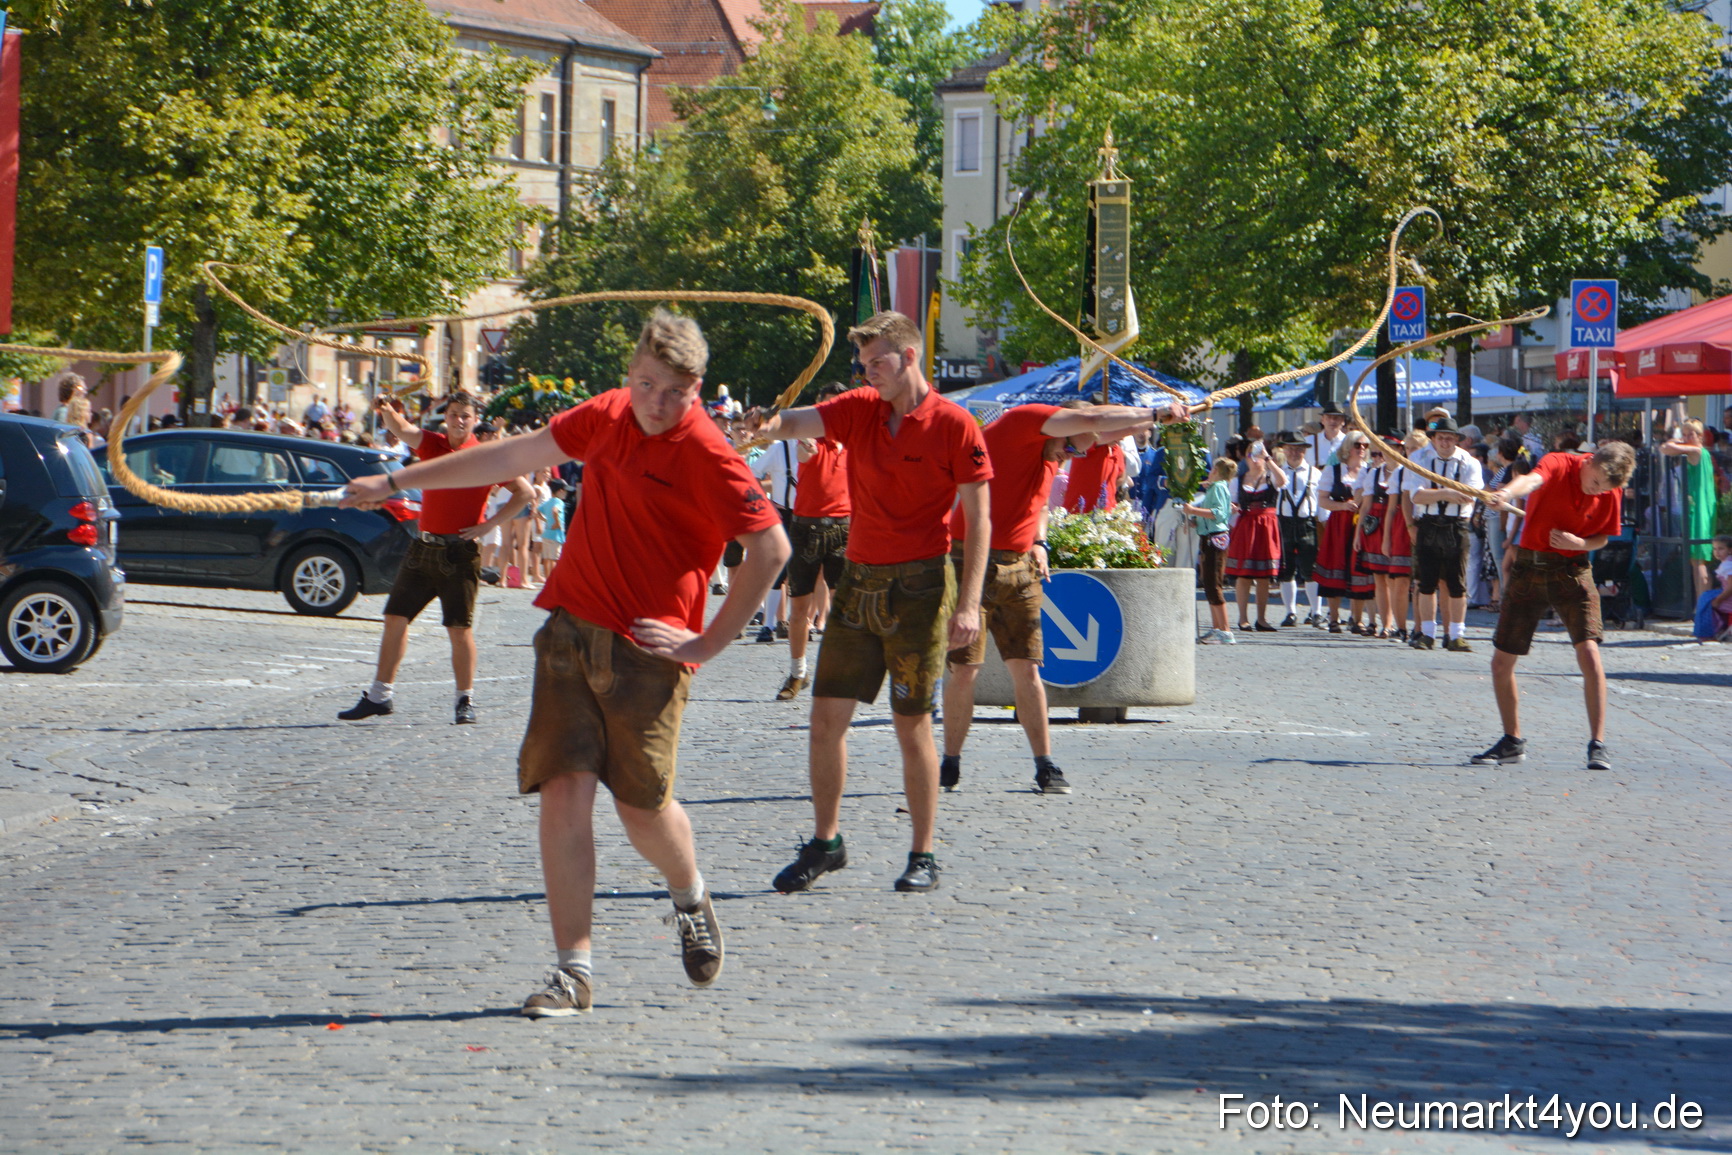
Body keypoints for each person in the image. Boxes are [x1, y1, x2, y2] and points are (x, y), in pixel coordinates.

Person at [343, 310, 788, 1016]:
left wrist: (706, 643)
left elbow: (772, 549)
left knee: (641, 809)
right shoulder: (606, 415)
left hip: (649, 651)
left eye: (674, 392)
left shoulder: (708, 452)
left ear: (697, 390)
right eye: (646, 384)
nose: (655, 403)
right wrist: (399, 481)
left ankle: (690, 894)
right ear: (630, 373)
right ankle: (573, 972)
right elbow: (508, 457)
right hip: (569, 631)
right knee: (564, 790)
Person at [748, 311, 991, 895]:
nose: (868, 373)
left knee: (912, 727)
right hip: (858, 583)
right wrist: (765, 423)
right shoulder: (860, 408)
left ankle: (923, 854)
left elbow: (980, 519)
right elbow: (796, 421)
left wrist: (969, 605)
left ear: (909, 356)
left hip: (922, 587)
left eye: (877, 362)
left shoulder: (956, 424)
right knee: (824, 720)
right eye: (862, 364)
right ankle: (826, 843)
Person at [940, 398, 1157, 795]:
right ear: (1061, 427)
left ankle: (1045, 765)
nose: (1069, 456)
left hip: (1021, 567)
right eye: (1070, 446)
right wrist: (1155, 413)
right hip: (968, 560)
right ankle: (950, 762)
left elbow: (1044, 500)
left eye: (1078, 451)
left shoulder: (1053, 451)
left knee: (1028, 669)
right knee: (964, 669)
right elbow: (1092, 419)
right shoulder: (1020, 425)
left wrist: (1039, 541)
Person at [337, 391, 530, 725]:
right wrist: (385, 408)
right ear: (447, 417)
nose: (459, 421)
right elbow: (401, 428)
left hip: (460, 553)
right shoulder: (432, 444)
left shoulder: (486, 456)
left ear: (475, 420)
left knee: (459, 629)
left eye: (465, 416)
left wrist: (490, 524)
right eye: (453, 414)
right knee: (395, 618)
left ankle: (464, 700)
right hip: (423, 548)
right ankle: (380, 696)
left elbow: (525, 492)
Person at [1472, 441, 1635, 772]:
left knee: (1590, 653)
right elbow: (1531, 480)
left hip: (1572, 570)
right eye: (1595, 482)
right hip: (1529, 567)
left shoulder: (1610, 490)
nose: (1597, 491)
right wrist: (1505, 494)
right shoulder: (1559, 463)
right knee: (1501, 662)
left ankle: (1598, 745)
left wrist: (1581, 542)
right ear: (1590, 462)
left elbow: (1604, 536)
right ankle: (1512, 741)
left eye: (1604, 488)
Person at [777, 382, 852, 703]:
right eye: (825, 408)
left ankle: (839, 673)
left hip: (843, 529)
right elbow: (803, 450)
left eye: (837, 407)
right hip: (806, 529)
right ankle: (798, 672)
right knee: (799, 609)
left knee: (842, 607)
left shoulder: (854, 441)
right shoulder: (809, 440)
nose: (831, 414)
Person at [1402, 415, 1484, 652]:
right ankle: (1428, 634)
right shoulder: (1419, 458)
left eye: (1449, 438)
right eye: (1441, 438)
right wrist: (1447, 493)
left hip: (1456, 525)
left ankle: (1457, 634)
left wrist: (1435, 493)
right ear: (1433, 438)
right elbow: (1416, 496)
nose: (1445, 442)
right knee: (1427, 583)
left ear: (1457, 440)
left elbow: (1470, 495)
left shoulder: (1469, 462)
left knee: (1457, 583)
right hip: (1428, 523)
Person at [1224, 430, 1285, 632]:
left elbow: (1283, 480)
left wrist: (1268, 459)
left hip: (1266, 526)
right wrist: (1232, 508)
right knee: (1244, 574)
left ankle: (1262, 618)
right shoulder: (1239, 480)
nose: (1255, 459)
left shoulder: (1270, 477)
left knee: (1263, 575)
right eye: (1252, 454)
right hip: (1246, 526)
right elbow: (1232, 502)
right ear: (1246, 458)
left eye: (1258, 454)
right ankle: (1243, 618)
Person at [1314, 431, 1374, 631]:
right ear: (1348, 447)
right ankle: (1334, 618)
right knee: (1335, 565)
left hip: (1361, 523)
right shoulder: (1334, 470)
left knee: (1359, 568)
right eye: (1358, 445)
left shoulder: (1369, 470)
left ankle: (1357, 619)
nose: (1362, 449)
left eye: (1365, 445)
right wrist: (1342, 506)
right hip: (1339, 523)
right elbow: (1322, 500)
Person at [1660, 419, 1718, 598]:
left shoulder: (1696, 451)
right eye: (1684, 434)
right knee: (1697, 561)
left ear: (1700, 436)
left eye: (1690, 434)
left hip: (1699, 509)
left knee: (1699, 560)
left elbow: (1666, 448)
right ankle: (1700, 604)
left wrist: (1676, 441)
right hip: (1701, 507)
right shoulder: (1702, 452)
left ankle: (1702, 604)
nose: (1686, 438)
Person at [752, 434, 801, 643]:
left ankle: (806, 622)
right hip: (785, 514)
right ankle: (768, 624)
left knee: (805, 572)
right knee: (777, 570)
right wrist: (766, 504)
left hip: (811, 515)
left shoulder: (820, 447)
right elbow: (751, 474)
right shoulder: (779, 448)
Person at [1183, 458, 1237, 643]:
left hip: (1216, 538)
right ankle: (1217, 627)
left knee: (1214, 584)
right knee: (1208, 583)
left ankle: (1226, 629)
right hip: (1208, 537)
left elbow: (1218, 514)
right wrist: (1195, 521)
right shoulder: (1215, 488)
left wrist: (1193, 511)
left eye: (1213, 468)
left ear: (1217, 471)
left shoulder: (1219, 487)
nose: (1210, 471)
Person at [1272, 431, 1321, 627]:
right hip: (1284, 522)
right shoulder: (1278, 472)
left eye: (1299, 449)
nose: (1294, 452)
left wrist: (1323, 523)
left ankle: (1316, 612)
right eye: (1290, 449)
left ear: (1304, 451)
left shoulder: (1314, 473)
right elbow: (1276, 484)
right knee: (1287, 569)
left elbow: (1320, 501)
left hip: (1307, 522)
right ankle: (1290, 612)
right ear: (1284, 450)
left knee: (1311, 569)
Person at [1308, 403, 1348, 470]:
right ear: (1322, 420)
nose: (1332, 420)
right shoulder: (1309, 441)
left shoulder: (1349, 442)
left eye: (1336, 418)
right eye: (1328, 417)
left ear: (1343, 421)